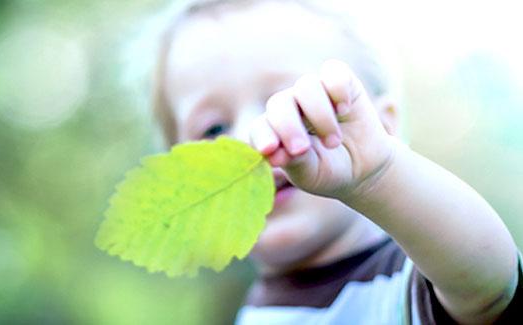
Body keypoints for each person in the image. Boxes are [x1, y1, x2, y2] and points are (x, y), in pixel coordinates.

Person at [143, 0, 522, 323]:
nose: (248, 140)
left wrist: (379, 175)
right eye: (212, 129)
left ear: (383, 128)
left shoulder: (411, 279)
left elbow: (490, 283)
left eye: (291, 105)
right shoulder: (254, 314)